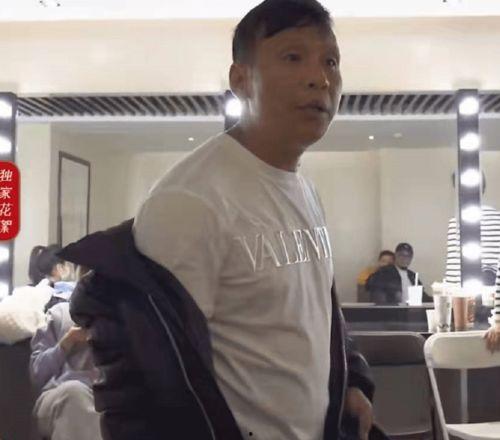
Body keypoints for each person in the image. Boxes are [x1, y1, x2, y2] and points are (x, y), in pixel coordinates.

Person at [65, 1, 380, 439]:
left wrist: (350, 384)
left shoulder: (306, 192)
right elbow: (146, 384)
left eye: (330, 61)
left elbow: (316, 317)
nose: (320, 78)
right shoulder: (190, 201)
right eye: (293, 57)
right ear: (240, 79)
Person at [30, 268, 101, 440]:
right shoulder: (59, 313)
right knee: (74, 393)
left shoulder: (120, 320)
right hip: (59, 395)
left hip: (104, 399)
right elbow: (37, 374)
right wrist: (67, 341)